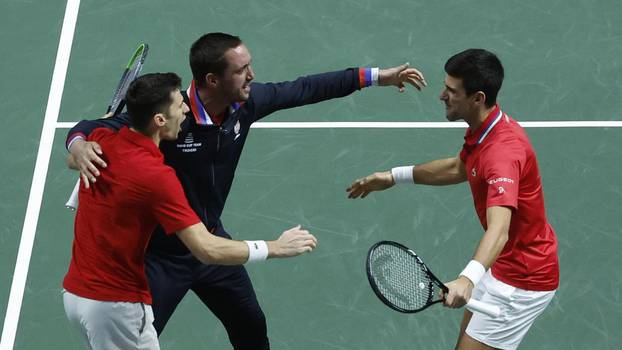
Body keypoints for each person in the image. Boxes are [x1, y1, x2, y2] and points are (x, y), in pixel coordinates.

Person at [65, 32, 427, 349]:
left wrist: (377, 76)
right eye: (241, 70)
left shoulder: (244, 105)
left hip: (213, 241)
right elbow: (92, 127)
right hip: (160, 258)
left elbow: (305, 88)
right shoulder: (169, 114)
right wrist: (78, 144)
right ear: (212, 79)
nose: (251, 75)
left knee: (251, 326)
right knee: (139, 333)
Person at [62, 72, 317, 350]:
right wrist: (275, 247)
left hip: (79, 293)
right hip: (113, 304)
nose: (186, 107)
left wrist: (78, 144)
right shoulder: (156, 177)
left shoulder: (101, 142)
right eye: (178, 105)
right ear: (159, 120)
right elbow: (206, 249)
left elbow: (74, 154)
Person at [347, 49, 559, 350]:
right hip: (501, 264)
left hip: (522, 279)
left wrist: (467, 280)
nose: (442, 95)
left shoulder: (502, 154)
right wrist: (393, 176)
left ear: (478, 98)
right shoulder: (488, 129)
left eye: (451, 90)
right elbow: (460, 167)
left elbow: (499, 229)